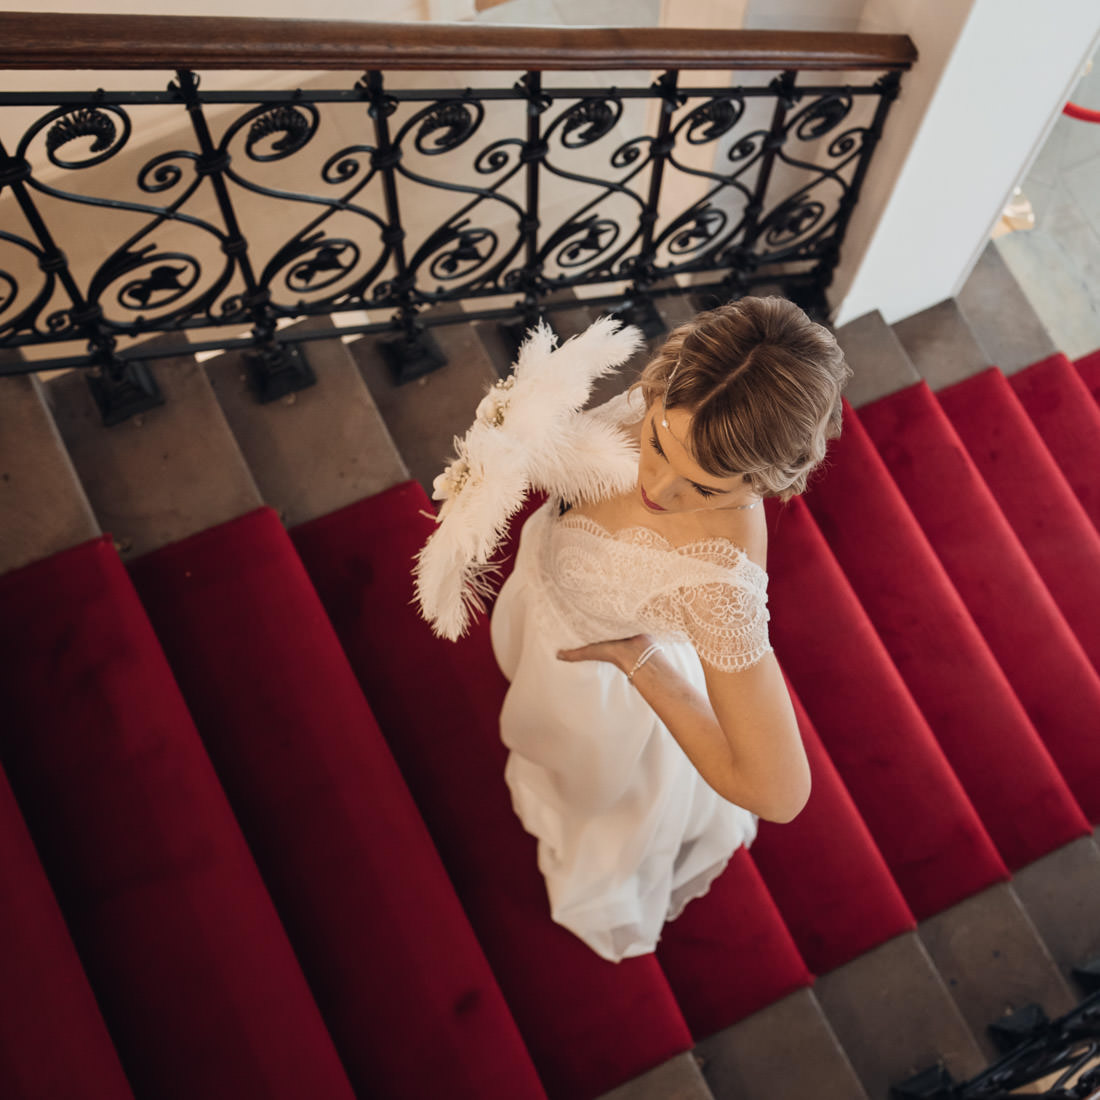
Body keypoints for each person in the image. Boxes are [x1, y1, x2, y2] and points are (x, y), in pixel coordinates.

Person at [487, 296, 852, 962]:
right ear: (662, 382)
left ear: (762, 482)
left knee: (583, 789)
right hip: (539, 605)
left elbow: (779, 792)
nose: (658, 486)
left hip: (596, 688)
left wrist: (641, 666)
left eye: (705, 487)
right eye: (658, 442)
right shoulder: (684, 388)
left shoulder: (720, 581)